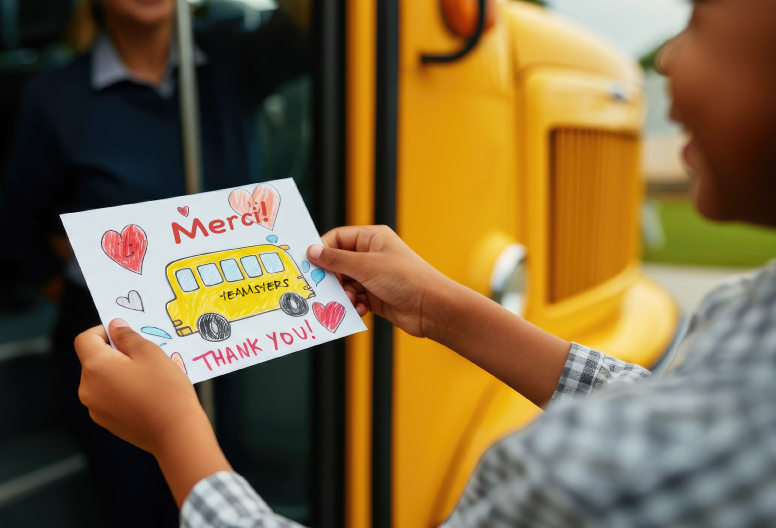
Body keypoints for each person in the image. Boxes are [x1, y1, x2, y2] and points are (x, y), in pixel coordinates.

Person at [74, 0, 776, 525]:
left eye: (701, 20)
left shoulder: (574, 476)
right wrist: (440, 305)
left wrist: (174, 434)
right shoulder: (746, 325)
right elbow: (654, 408)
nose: (665, 61)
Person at [0, 0, 307, 525]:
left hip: (223, 328)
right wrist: (85, 292)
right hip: (112, 335)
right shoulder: (55, 97)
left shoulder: (235, 57)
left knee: (216, 481)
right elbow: (17, 228)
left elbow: (313, 20)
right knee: (137, 501)